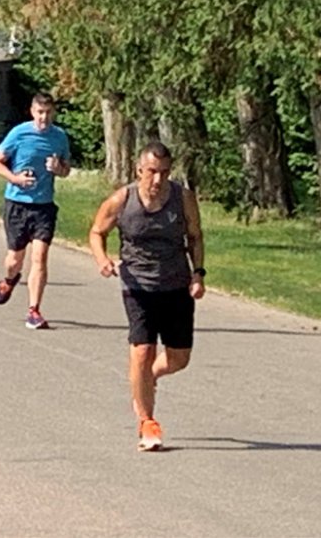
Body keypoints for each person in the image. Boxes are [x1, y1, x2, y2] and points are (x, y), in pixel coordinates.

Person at [87, 141, 206, 452]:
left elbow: (194, 235)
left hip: (176, 283)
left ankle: (147, 378)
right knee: (142, 350)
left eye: (164, 173)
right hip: (137, 284)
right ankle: (147, 422)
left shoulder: (183, 199)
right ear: (139, 170)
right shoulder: (122, 200)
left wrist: (199, 273)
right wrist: (102, 259)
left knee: (179, 358)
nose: (157, 180)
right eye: (152, 172)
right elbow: (97, 231)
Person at [0, 93, 71, 330]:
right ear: (32, 112)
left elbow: (66, 169)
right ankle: (10, 279)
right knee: (15, 259)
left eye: (48, 113)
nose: (44, 118)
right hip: (17, 204)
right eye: (40, 112)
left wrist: (58, 168)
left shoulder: (59, 137)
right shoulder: (19, 133)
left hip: (44, 206)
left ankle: (34, 310)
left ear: (53, 113)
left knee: (40, 257)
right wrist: (15, 178)